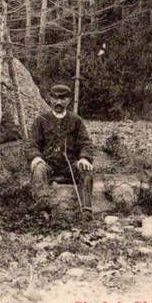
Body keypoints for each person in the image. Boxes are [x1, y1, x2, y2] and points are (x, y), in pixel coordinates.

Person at [26, 83, 94, 218]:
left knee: (86, 171)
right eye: (55, 98)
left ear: (68, 100)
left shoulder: (76, 121)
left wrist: (84, 158)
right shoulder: (41, 120)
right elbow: (32, 144)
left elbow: (85, 143)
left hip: (70, 166)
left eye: (62, 99)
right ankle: (42, 210)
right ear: (50, 99)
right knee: (38, 170)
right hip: (49, 164)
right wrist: (36, 157)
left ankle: (86, 211)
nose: (58, 102)